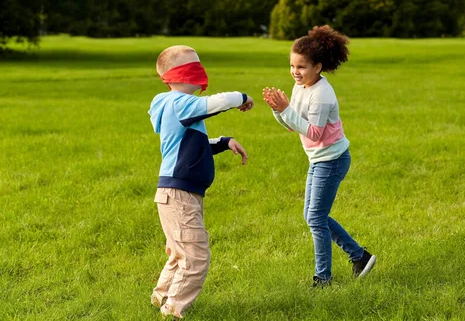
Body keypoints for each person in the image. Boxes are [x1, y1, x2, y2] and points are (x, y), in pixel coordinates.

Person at [263, 25, 376, 288]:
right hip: (318, 159)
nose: (295, 72)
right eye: (292, 66)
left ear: (318, 67)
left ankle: (323, 277)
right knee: (314, 216)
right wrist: (278, 111)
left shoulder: (323, 93)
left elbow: (314, 133)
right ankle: (360, 256)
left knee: (315, 217)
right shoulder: (300, 87)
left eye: (301, 67)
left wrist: (286, 109)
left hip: (332, 159)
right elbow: (293, 125)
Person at [148, 45, 254, 318]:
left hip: (177, 192)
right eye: (191, 66)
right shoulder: (179, 103)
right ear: (173, 76)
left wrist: (224, 142)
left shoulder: (177, 108)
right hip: (179, 193)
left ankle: (160, 297)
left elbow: (193, 143)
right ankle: (172, 310)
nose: (200, 70)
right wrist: (241, 97)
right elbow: (215, 103)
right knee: (196, 257)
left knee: (179, 253)